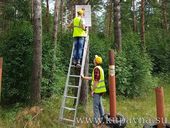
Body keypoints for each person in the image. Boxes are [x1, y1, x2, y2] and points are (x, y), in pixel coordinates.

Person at [82, 55, 106, 127]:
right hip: (101, 90)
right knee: (100, 106)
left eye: (94, 59)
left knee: (95, 107)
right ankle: (103, 120)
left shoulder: (96, 69)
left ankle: (95, 123)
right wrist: (84, 77)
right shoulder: (100, 68)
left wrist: (93, 90)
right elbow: (93, 78)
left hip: (97, 91)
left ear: (96, 61)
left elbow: (96, 81)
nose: (93, 60)